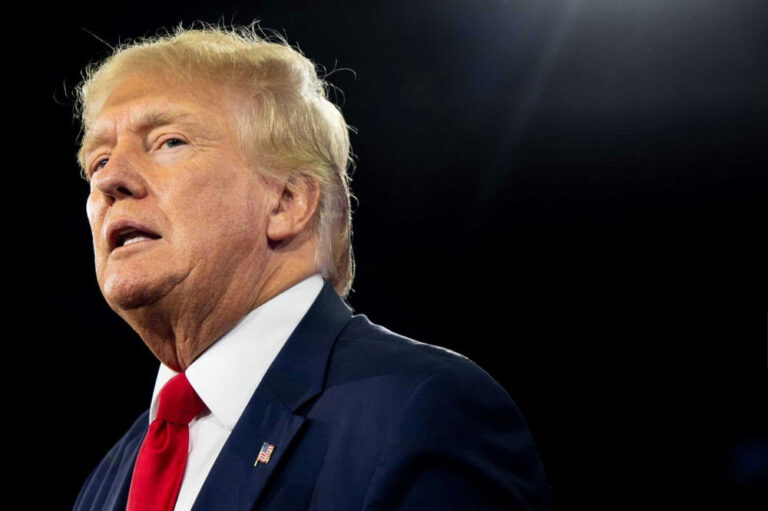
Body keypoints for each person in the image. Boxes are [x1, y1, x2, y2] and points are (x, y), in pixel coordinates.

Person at [72, 23, 552, 511]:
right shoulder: (108, 481)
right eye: (98, 161)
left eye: (169, 141)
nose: (110, 180)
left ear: (287, 201)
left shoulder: (425, 410)